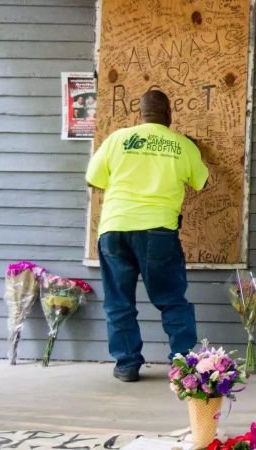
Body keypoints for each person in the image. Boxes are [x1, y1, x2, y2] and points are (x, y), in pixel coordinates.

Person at [85, 90, 209, 383]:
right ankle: (183, 364)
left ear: (139, 114)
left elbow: (94, 178)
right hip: (158, 231)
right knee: (172, 299)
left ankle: (127, 365)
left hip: (115, 228)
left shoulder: (118, 139)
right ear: (169, 114)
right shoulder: (181, 145)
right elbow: (200, 181)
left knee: (118, 301)